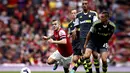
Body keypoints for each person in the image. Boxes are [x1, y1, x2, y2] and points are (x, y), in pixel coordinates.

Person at [71, 0, 100, 73]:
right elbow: (77, 26)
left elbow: (96, 25)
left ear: (88, 5)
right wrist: (74, 30)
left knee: (95, 55)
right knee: (86, 56)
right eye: (83, 4)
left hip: (92, 37)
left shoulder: (93, 14)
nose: (84, 5)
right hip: (82, 37)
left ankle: (97, 70)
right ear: (81, 5)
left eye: (86, 4)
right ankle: (90, 71)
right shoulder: (78, 15)